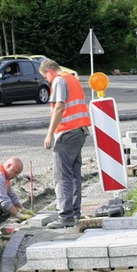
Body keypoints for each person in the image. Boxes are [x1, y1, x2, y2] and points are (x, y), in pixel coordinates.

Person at [39, 58, 91, 229]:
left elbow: (59, 108)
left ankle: (65, 216)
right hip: (79, 131)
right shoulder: (72, 78)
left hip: (67, 133)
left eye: (45, 77)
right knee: (74, 174)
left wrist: (49, 135)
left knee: (61, 176)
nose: (47, 81)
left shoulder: (59, 80)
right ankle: (74, 213)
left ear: (49, 71)